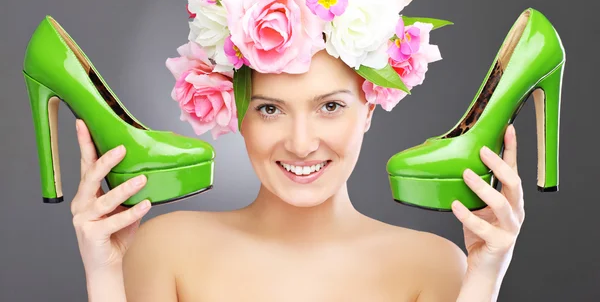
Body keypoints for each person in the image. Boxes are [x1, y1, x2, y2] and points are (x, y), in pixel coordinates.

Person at [71, 48, 525, 301]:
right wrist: (105, 274)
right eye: (270, 109)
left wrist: (485, 277)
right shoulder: (166, 246)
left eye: (330, 107)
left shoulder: (435, 264)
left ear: (368, 110)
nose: (302, 143)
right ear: (238, 116)